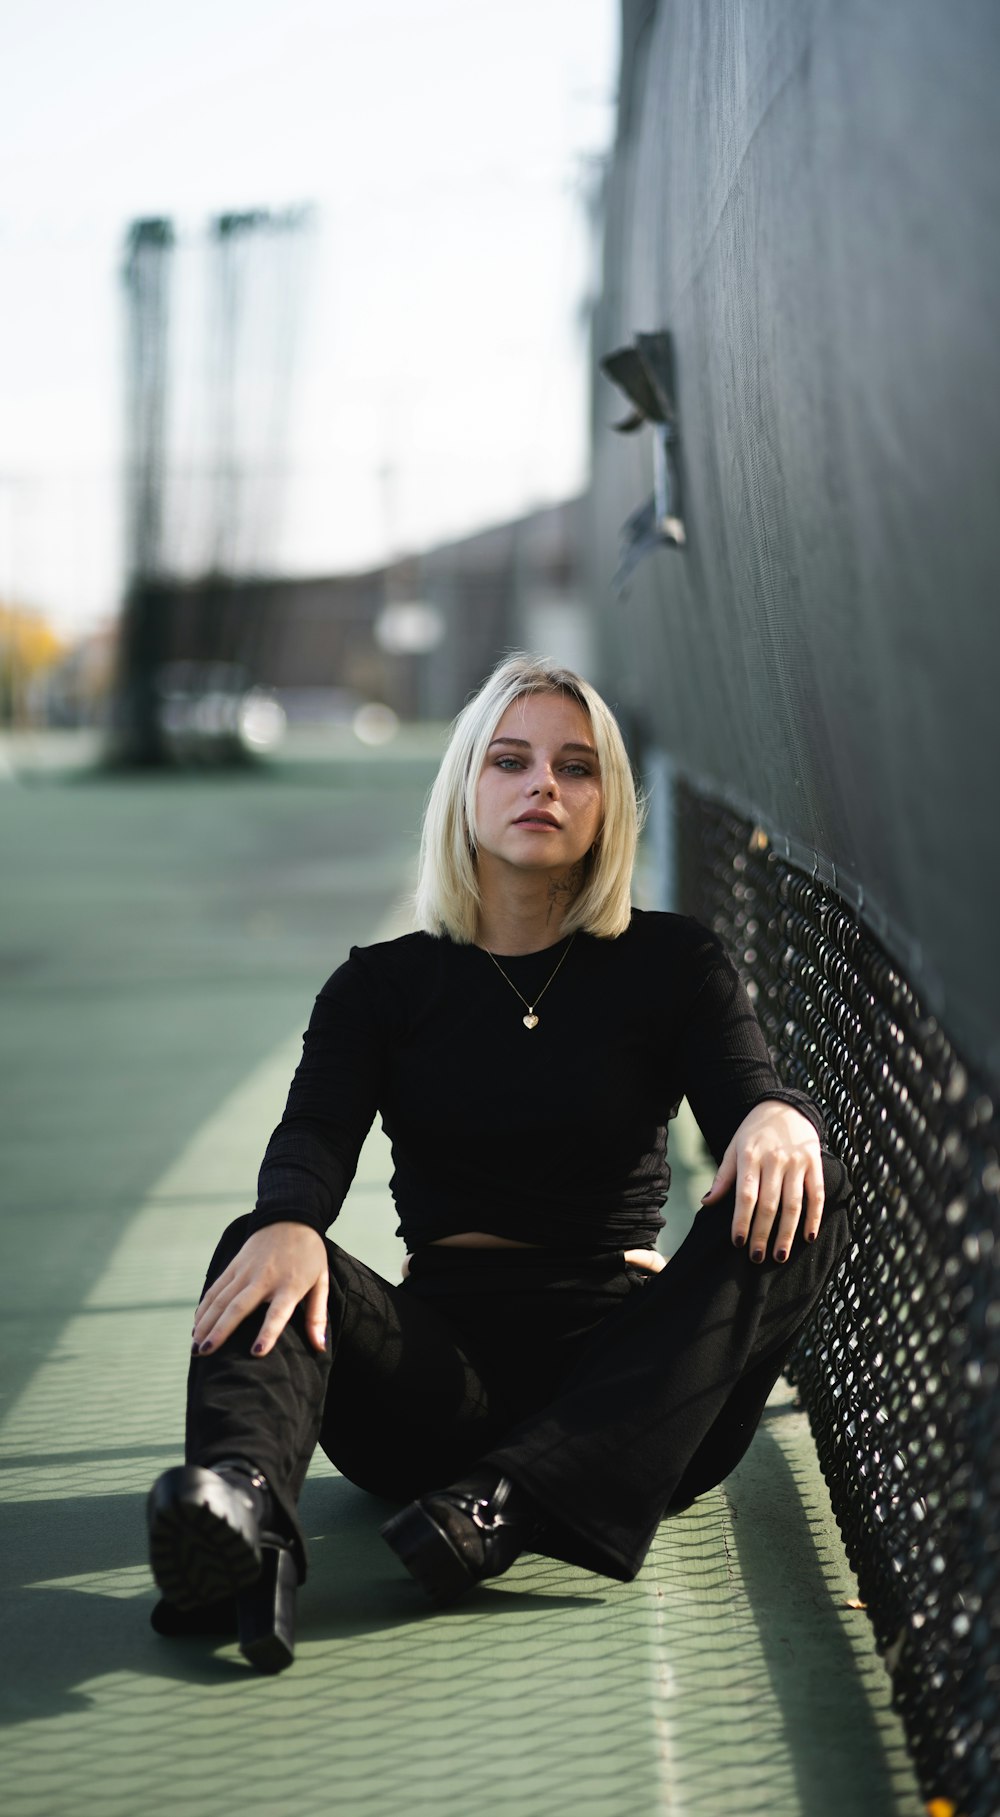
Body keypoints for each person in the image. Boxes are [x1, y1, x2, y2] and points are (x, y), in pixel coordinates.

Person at [147, 654, 852, 1673]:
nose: (543, 786)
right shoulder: (381, 985)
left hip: (626, 1378)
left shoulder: (674, 964)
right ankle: (242, 1522)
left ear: (606, 799)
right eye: (511, 759)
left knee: (800, 1191)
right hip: (436, 1380)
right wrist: (289, 1216)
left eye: (576, 766)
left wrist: (778, 1116)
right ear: (465, 786)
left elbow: (748, 1096)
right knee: (260, 1245)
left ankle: (507, 1504)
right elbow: (311, 1136)